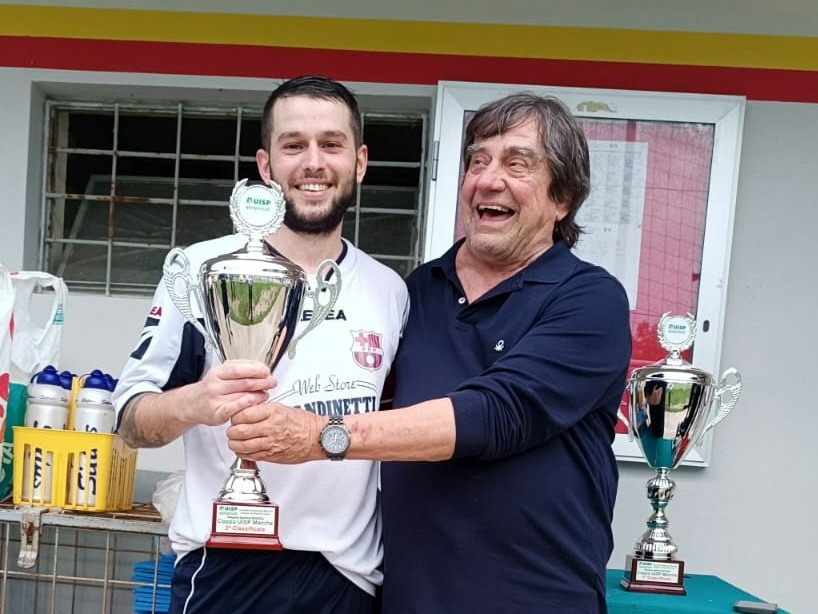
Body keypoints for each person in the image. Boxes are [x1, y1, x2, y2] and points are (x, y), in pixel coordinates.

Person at [226, 92, 632, 613]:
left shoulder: (589, 299)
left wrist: (320, 435)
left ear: (564, 198)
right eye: (478, 161)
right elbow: (369, 400)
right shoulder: (415, 290)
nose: (489, 179)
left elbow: (500, 413)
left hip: (535, 599)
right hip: (405, 597)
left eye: (517, 164)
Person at [112, 75, 409, 614]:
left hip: (346, 576)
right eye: (294, 145)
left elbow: (392, 430)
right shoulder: (201, 270)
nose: (313, 163)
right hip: (226, 568)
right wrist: (196, 402)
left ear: (360, 162)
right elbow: (130, 422)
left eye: (331, 144)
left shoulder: (390, 291)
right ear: (266, 165)